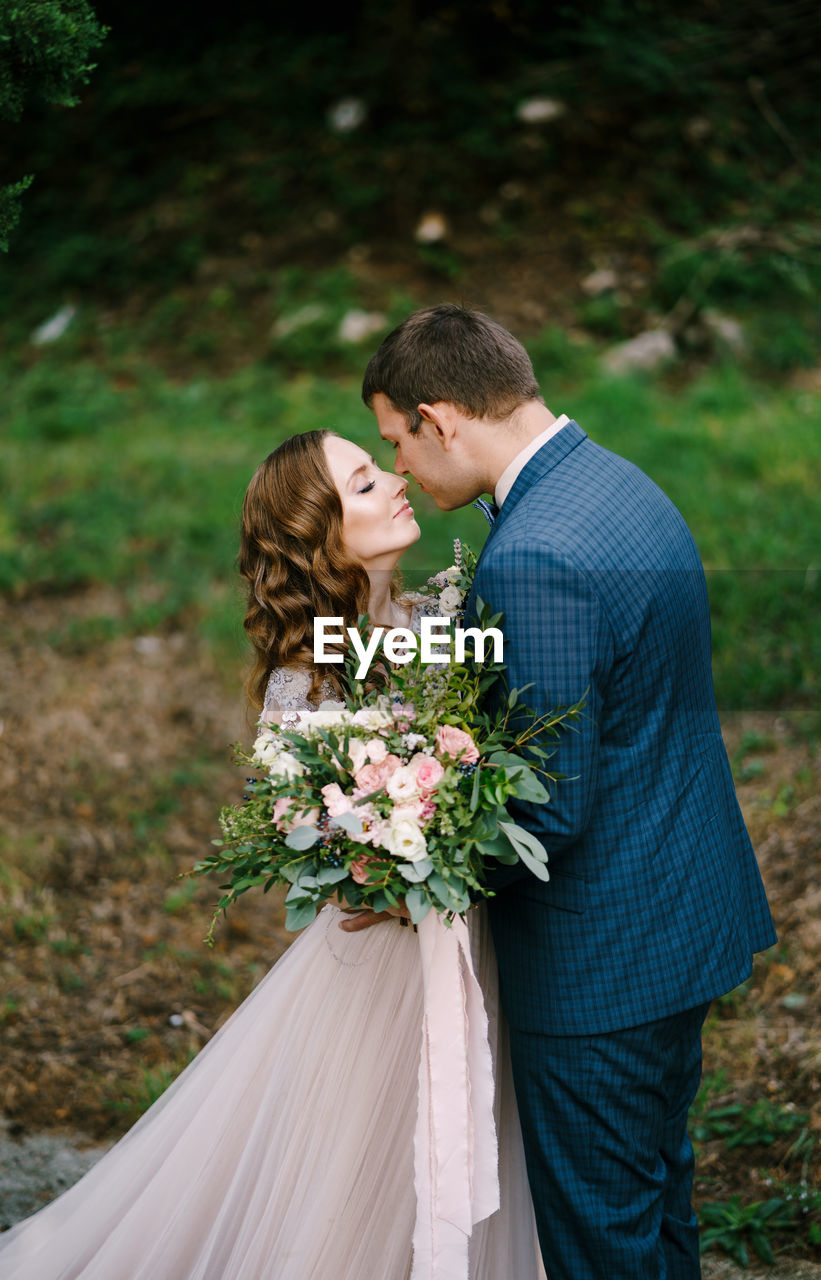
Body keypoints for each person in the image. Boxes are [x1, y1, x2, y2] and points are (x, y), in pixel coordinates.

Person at [0, 428, 543, 1280]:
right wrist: (384, 865)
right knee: (363, 1159)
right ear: (323, 530)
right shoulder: (309, 680)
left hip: (474, 941)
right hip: (382, 962)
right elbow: (295, 823)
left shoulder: (443, 619)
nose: (395, 480)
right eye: (362, 481)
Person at [350, 303, 778, 1280]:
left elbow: (545, 806)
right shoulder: (618, 484)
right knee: (657, 1198)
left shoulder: (533, 557)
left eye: (397, 441)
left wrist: (396, 860)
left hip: (603, 964)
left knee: (602, 1240)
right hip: (682, 916)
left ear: (442, 417)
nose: (403, 468)